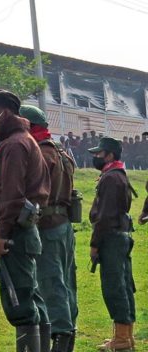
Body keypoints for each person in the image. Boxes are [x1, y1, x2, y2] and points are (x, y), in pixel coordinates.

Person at [0, 89, 50, 351]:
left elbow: (12, 194)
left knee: (20, 302)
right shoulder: (16, 141)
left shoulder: (15, 144)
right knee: (30, 296)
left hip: (14, 231)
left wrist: (1, 234)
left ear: (6, 113)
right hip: (21, 229)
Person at [20, 105, 78, 351]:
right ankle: (67, 332)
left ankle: (61, 337)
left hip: (48, 227)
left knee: (51, 284)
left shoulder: (42, 154)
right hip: (64, 225)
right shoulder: (61, 152)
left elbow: (35, 193)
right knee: (65, 283)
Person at [90, 137, 136, 351]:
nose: (95, 157)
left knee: (114, 288)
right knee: (123, 286)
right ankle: (126, 337)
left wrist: (94, 243)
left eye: (99, 153)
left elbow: (105, 216)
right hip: (120, 235)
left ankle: (121, 340)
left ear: (109, 155)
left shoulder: (111, 178)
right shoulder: (118, 175)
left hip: (112, 237)